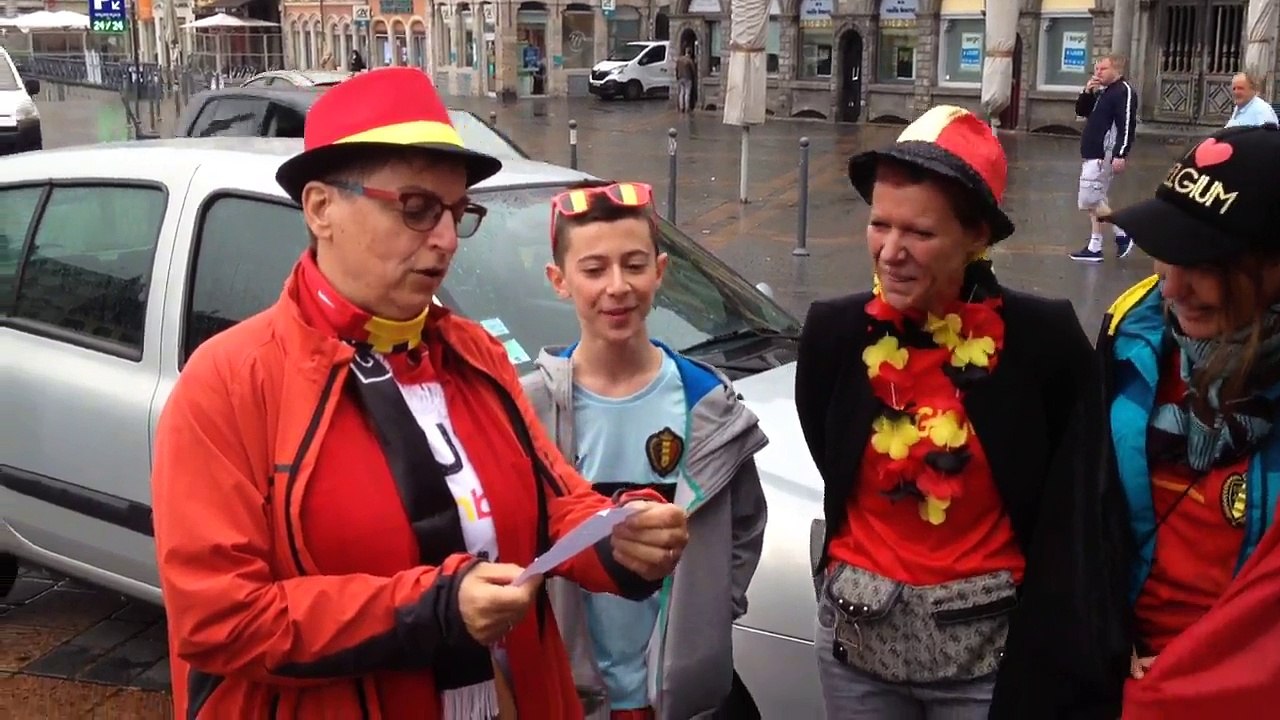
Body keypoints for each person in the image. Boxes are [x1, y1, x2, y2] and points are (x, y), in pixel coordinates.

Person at [150, 67, 689, 719]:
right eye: (416, 209)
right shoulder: (227, 382)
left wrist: (618, 535)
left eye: (458, 213)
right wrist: (431, 608)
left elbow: (555, 502)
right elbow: (218, 618)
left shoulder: (475, 352)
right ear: (320, 208)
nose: (445, 239)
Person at [796, 105, 1129, 719]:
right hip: (857, 649)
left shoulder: (1043, 341)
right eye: (879, 225)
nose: (890, 252)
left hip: (990, 658)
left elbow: (1077, 498)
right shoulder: (834, 333)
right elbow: (828, 448)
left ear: (978, 236)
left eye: (919, 233)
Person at [521, 180, 769, 720]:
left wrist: (710, 616)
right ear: (559, 280)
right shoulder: (528, 410)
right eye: (593, 270)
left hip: (679, 699)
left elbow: (745, 525)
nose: (617, 287)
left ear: (660, 271)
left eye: (633, 265)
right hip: (568, 695)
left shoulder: (707, 405)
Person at [1100, 124, 1280, 718]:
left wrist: (1193, 673)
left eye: (1205, 263)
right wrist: (1105, 638)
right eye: (1166, 252)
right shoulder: (1132, 336)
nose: (1172, 286)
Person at [1069, 54, 1138, 263]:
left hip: (1103, 153)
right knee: (1096, 198)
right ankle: (1100, 243)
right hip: (1091, 151)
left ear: (1116, 70)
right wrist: (1087, 92)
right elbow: (1081, 111)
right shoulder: (1102, 91)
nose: (1097, 73)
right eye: (1096, 69)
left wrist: (1120, 153)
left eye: (1103, 69)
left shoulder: (1123, 91)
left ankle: (1117, 235)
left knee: (1091, 198)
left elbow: (1127, 124)